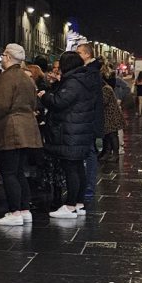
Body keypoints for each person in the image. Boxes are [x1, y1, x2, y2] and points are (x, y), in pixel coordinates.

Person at [0, 43, 42, 227]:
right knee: (19, 171)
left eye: (3, 55)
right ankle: (24, 209)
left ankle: (14, 211)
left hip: (11, 130)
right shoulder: (27, 78)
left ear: (8, 57)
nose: (2, 58)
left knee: (9, 172)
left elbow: (0, 105)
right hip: (28, 130)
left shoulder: (7, 78)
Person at [43, 50, 99, 218]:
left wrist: (45, 96)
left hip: (71, 131)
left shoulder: (73, 82)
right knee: (77, 168)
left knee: (71, 168)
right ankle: (78, 203)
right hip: (80, 130)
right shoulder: (83, 79)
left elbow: (60, 102)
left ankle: (70, 206)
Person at [75, 43, 104, 205]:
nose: (76, 55)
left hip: (89, 121)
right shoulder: (92, 71)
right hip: (91, 120)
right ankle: (87, 187)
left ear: (86, 54)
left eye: (79, 52)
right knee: (89, 154)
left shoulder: (90, 72)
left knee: (90, 154)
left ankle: (89, 188)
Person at [99, 68, 123, 159]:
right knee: (108, 135)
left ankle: (115, 154)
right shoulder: (105, 88)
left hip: (112, 116)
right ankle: (108, 152)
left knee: (112, 135)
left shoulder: (106, 89)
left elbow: (104, 101)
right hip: (108, 116)